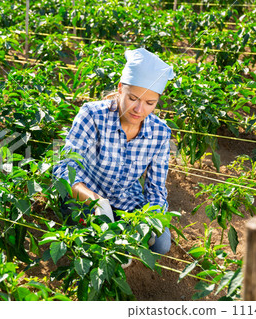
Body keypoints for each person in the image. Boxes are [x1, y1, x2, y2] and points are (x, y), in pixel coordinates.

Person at [53, 48, 175, 261]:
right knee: (94, 238)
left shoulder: (160, 132)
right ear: (120, 89)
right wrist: (96, 202)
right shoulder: (92, 115)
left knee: (161, 243)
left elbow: (156, 187)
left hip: (126, 198)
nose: (139, 109)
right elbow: (64, 168)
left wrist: (151, 218)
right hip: (86, 193)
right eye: (133, 98)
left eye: (150, 103)